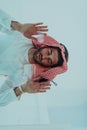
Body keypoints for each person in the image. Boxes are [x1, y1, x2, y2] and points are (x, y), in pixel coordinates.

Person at [0, 10, 69, 106]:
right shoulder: (24, 37)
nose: (44, 56)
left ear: (47, 67)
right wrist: (19, 27)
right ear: (46, 45)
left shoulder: (23, 75)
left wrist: (22, 89)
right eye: (49, 52)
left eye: (49, 61)